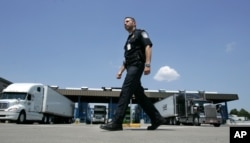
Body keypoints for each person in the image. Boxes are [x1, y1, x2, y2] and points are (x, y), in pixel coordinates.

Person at [100, 17, 165, 131]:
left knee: (126, 90)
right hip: (130, 67)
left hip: (137, 65)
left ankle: (116, 122)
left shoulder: (141, 33)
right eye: (124, 22)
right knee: (140, 97)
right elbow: (126, 59)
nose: (125, 23)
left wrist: (148, 64)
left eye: (127, 21)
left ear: (134, 23)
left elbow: (148, 46)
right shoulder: (128, 40)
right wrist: (120, 71)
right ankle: (157, 118)